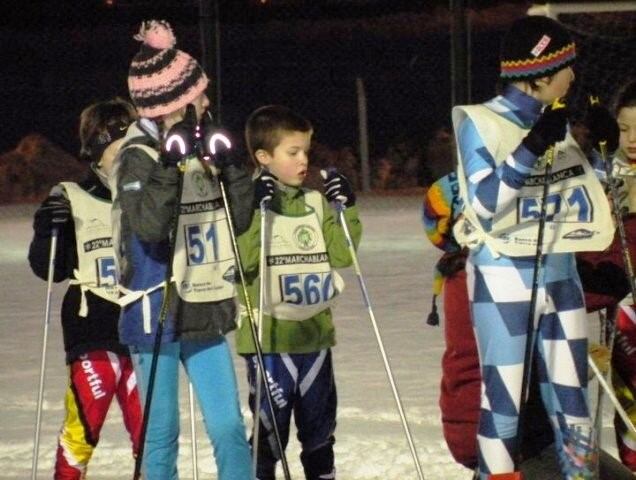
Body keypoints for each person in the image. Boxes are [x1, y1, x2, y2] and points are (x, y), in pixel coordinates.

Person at [452, 15, 615, 479]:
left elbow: (576, 196)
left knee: (573, 405)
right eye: (567, 66)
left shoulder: (553, 121)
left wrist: (604, 151)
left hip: (560, 276)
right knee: (504, 402)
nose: (573, 76)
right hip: (505, 277)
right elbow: (484, 204)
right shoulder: (480, 123)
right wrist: (532, 146)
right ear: (541, 74)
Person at [113, 19, 252, 479]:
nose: (207, 102)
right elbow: (150, 226)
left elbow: (241, 221)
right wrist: (170, 166)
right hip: (155, 309)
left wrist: (232, 166)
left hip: (202, 301)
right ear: (172, 106)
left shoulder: (203, 143)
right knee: (162, 431)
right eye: (199, 96)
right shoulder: (137, 154)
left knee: (230, 426)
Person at [236, 105, 362, 480]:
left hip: (315, 337)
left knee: (320, 436)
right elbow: (242, 263)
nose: (303, 160)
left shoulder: (313, 201)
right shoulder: (247, 201)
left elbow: (342, 255)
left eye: (306, 151)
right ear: (263, 157)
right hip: (271, 341)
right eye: (292, 153)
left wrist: (347, 210)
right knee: (269, 439)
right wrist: (255, 211)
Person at [28, 98, 142, 479]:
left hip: (142, 330)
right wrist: (49, 228)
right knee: (85, 423)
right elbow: (49, 269)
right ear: (96, 149)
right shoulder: (72, 195)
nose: (130, 157)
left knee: (150, 431)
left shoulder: (148, 200)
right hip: (93, 327)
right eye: (120, 149)